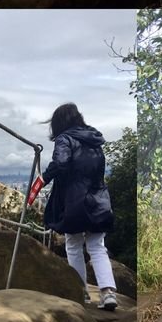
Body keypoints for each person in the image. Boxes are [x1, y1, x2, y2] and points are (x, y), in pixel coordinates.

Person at [36, 103, 117, 310]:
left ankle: (80, 292)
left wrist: (43, 179)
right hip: (98, 198)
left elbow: (61, 162)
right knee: (97, 247)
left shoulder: (65, 138)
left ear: (59, 123)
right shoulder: (94, 140)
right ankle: (108, 293)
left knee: (73, 244)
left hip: (74, 201)